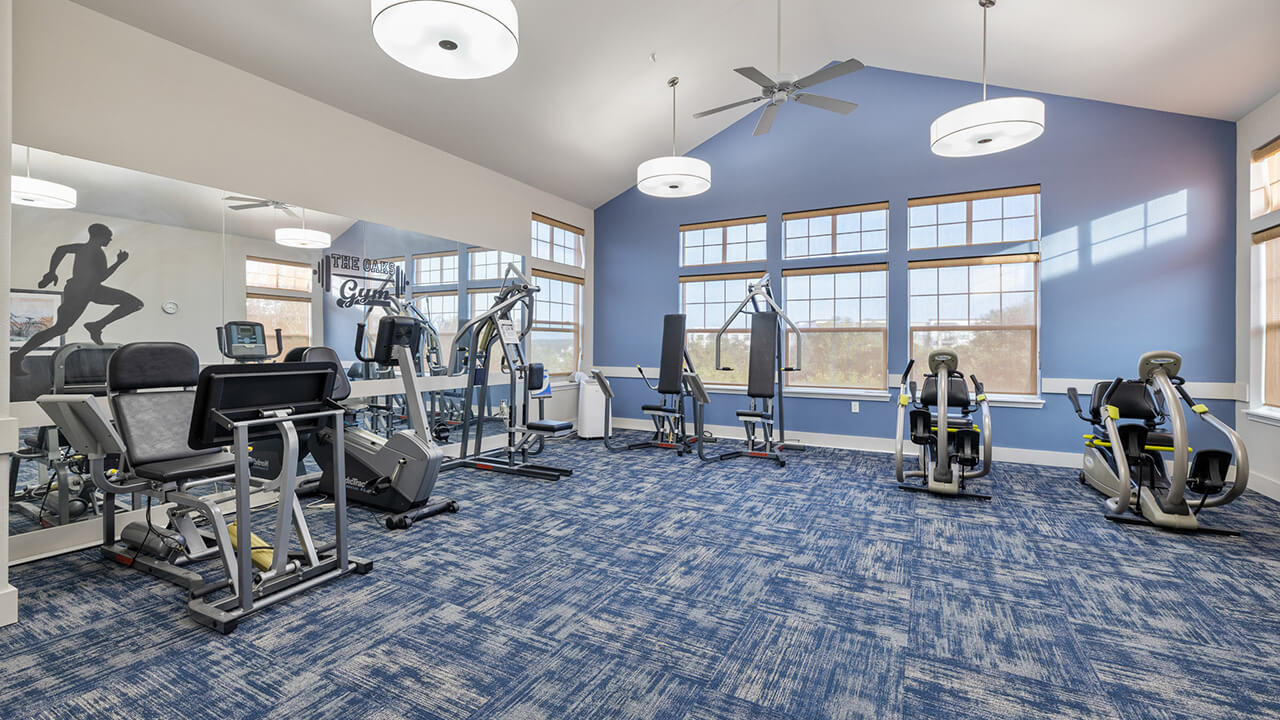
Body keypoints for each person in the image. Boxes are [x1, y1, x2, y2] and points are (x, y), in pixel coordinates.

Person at [10, 223, 143, 375]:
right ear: (100, 236)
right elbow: (102, 276)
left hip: (89, 289)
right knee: (60, 328)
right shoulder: (97, 252)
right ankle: (17, 356)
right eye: (109, 237)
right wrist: (119, 262)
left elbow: (61, 250)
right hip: (82, 290)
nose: (110, 240)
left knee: (134, 303)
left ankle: (96, 326)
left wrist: (52, 272)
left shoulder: (82, 248)